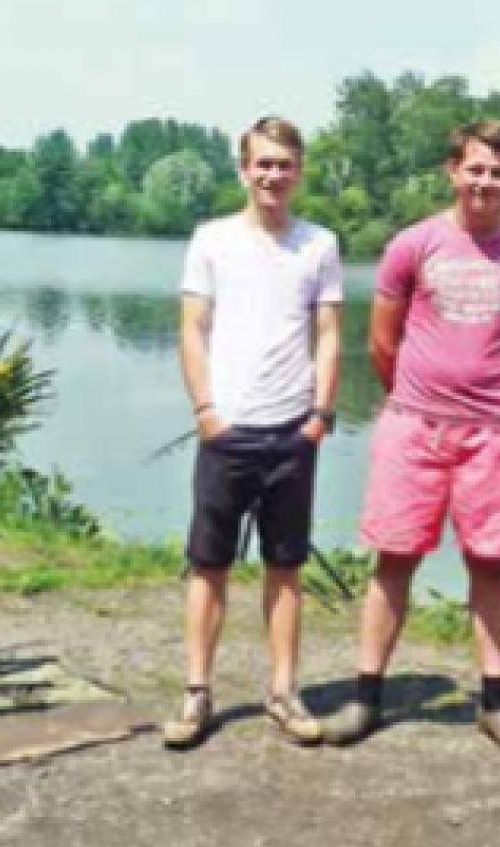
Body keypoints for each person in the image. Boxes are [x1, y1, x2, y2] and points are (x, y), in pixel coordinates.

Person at [322, 120, 500, 754]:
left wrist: (497, 401)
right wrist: (417, 397)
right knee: (393, 558)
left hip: (494, 433)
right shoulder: (414, 244)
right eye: (475, 169)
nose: (485, 183)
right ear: (452, 171)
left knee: (487, 561)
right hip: (413, 425)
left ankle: (496, 702)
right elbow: (381, 341)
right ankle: (366, 695)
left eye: (498, 172)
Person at [161, 116, 343, 750]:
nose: (273, 175)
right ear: (244, 169)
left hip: (293, 431)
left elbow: (327, 333)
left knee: (285, 567)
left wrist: (319, 416)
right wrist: (206, 410)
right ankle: (196, 693)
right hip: (227, 429)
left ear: (299, 172)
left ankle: (284, 691)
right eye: (262, 164)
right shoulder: (211, 240)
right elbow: (192, 329)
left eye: (284, 165)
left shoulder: (319, 244)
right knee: (207, 565)